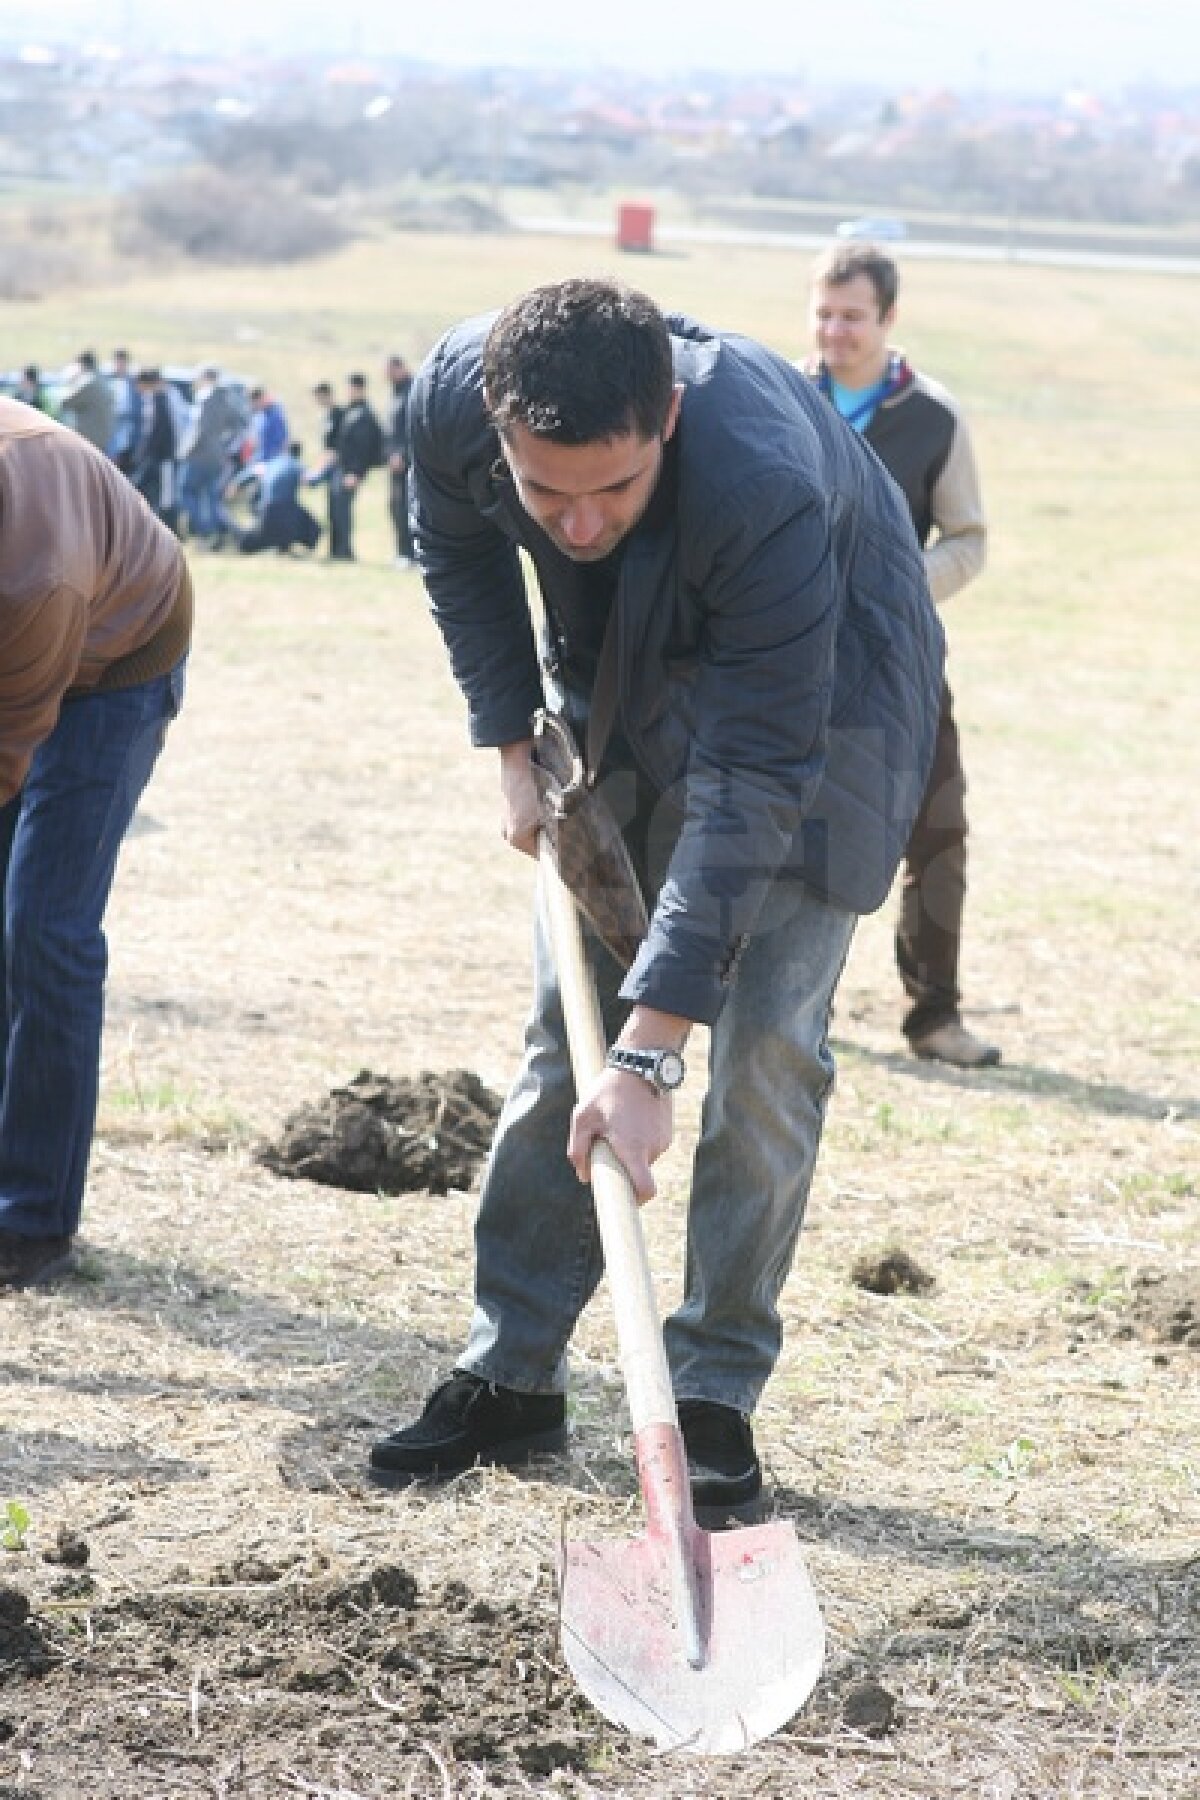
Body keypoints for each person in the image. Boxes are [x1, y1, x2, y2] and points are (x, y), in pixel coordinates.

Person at [369, 279, 944, 1516]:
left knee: (763, 1058)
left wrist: (655, 1050)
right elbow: (460, 555)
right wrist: (511, 745)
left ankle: (712, 1396)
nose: (576, 525)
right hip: (615, 681)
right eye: (546, 492)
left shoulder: (762, 481)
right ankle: (512, 1371)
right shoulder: (454, 404)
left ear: (668, 420)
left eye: (611, 491)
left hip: (825, 706)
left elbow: (754, 777)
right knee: (564, 1039)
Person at [0, 399, 191, 1291]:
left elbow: (11, 747)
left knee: (43, 926)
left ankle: (32, 1222)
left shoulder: (34, 576)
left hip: (117, 657)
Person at [806, 241, 997, 1068]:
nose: (834, 330)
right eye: (822, 312)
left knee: (937, 833)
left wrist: (895, 584)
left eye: (851, 315)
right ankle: (794, 1008)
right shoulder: (776, 399)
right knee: (792, 837)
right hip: (794, 664)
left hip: (903, 667)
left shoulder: (933, 417)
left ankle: (935, 1018)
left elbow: (968, 540)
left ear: (888, 318)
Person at [180, 366, 246, 549]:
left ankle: (204, 531)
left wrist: (185, 451)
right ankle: (220, 532)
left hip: (198, 455)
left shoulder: (204, 397)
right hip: (217, 455)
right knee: (211, 497)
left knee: (186, 492)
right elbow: (238, 426)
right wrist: (224, 446)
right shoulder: (227, 398)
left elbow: (198, 430)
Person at [326, 372, 384, 562]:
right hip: (342, 469)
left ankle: (345, 551)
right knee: (335, 511)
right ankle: (336, 550)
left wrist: (356, 473)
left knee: (343, 513)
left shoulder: (364, 414)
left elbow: (363, 448)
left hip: (350, 471)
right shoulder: (351, 411)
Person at [232, 441, 321, 555]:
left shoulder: (271, 464)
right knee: (313, 528)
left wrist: (235, 485)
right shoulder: (296, 465)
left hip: (266, 511)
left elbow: (249, 474)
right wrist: (323, 466)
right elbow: (313, 481)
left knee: (259, 539)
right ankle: (286, 546)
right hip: (286, 511)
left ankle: (243, 541)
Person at [131, 368, 179, 533]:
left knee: (165, 497)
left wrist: (144, 452)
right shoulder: (159, 398)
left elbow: (157, 431)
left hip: (163, 456)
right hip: (158, 456)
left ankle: (168, 528)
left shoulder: (160, 399)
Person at [384, 353, 415, 568]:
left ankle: (411, 554)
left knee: (407, 508)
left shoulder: (411, 392)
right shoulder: (395, 394)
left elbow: (412, 428)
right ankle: (401, 552)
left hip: (408, 464)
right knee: (395, 508)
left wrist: (403, 454)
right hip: (394, 464)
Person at [59, 351, 115, 453]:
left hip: (90, 438)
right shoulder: (101, 379)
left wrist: (72, 380)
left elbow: (66, 403)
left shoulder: (88, 381)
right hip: (102, 437)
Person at [106, 348, 140, 471]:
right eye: (117, 362)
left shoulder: (133, 382)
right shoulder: (107, 380)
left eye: (122, 362)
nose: (119, 366)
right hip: (111, 426)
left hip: (128, 427)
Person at [247, 386, 289, 467]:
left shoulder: (276, 414)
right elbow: (254, 440)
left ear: (262, 399)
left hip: (273, 461)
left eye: (255, 403)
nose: (254, 406)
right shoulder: (259, 414)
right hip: (260, 460)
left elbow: (284, 441)